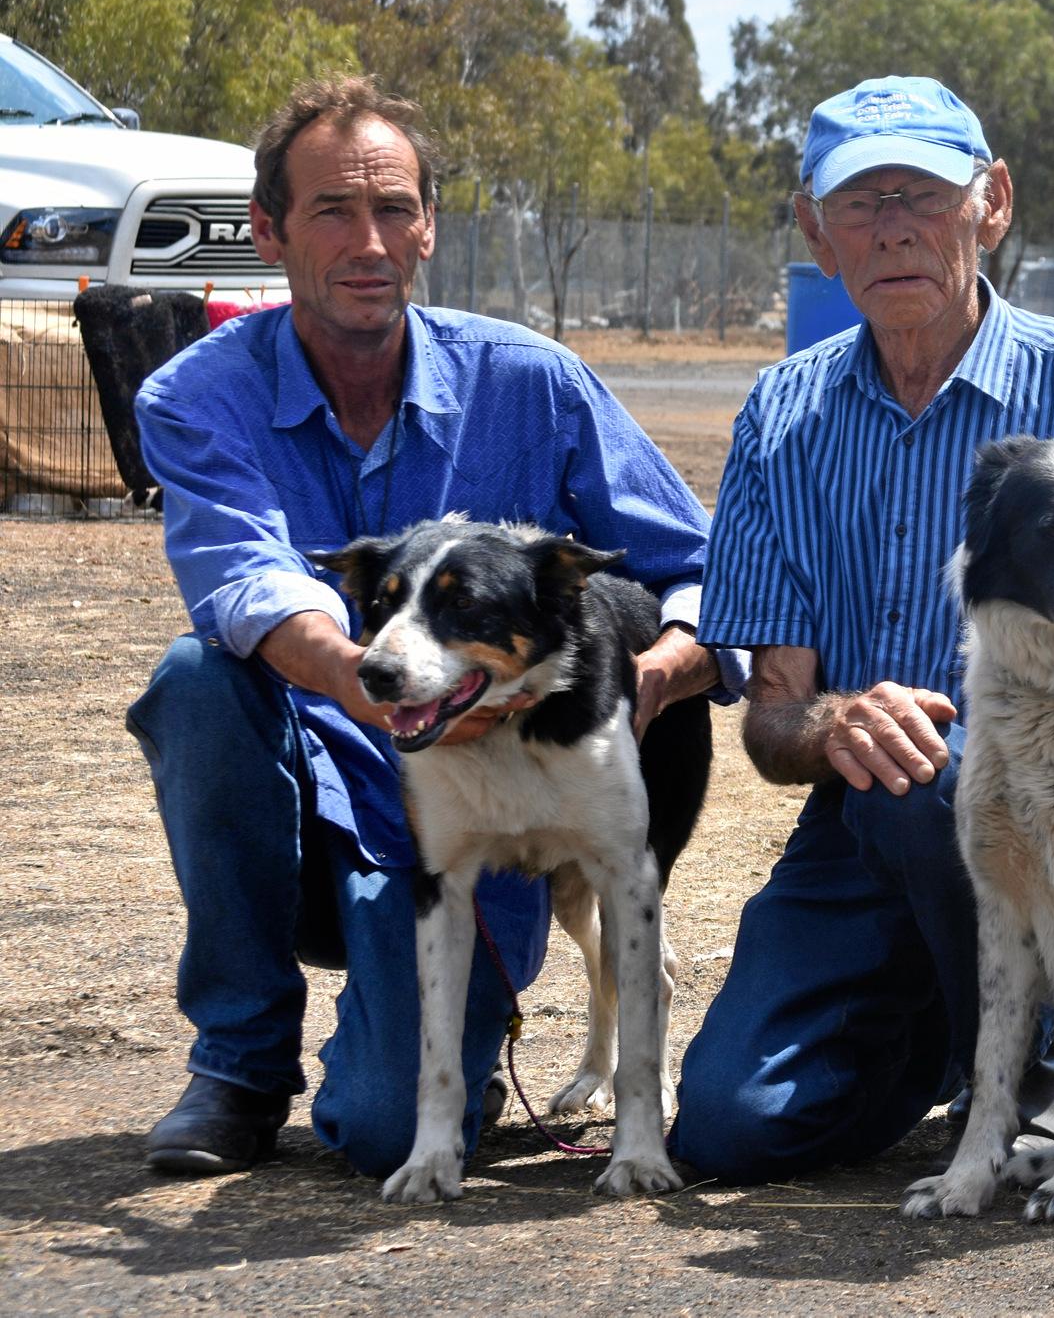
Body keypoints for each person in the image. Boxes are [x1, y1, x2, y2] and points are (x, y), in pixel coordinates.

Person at [127, 75, 736, 1179]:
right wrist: (388, 688)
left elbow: (701, 568)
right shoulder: (191, 398)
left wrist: (651, 677)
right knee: (195, 680)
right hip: (308, 808)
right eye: (332, 211)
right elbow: (255, 588)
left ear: (430, 225)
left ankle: (424, 1028)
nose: (371, 241)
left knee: (381, 1131)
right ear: (268, 230)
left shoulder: (535, 383)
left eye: (396, 208)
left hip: (495, 823)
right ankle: (242, 1062)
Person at [669, 75, 1054, 1180]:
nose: (892, 227)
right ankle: (950, 1054)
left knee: (952, 779)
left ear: (991, 203)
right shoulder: (781, 416)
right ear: (815, 226)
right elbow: (772, 721)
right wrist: (839, 720)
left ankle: (1052, 1067)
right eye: (860, 201)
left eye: (924, 195)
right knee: (725, 1130)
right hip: (862, 834)